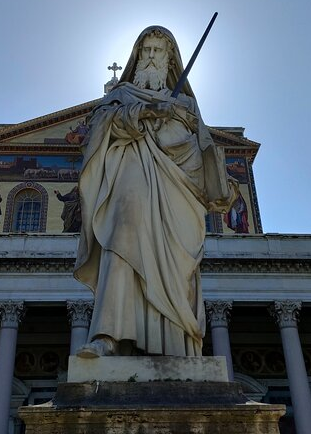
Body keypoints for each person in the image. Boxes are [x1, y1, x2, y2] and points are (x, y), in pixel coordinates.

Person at [73, 26, 235, 357]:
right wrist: (146, 112)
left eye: (158, 51)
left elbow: (200, 152)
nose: (150, 57)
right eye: (145, 50)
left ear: (170, 58)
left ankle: (174, 344)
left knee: (177, 269)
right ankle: (107, 336)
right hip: (131, 177)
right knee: (119, 239)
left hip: (177, 194)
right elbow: (100, 126)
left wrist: (217, 181)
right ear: (137, 55)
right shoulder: (122, 96)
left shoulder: (187, 103)